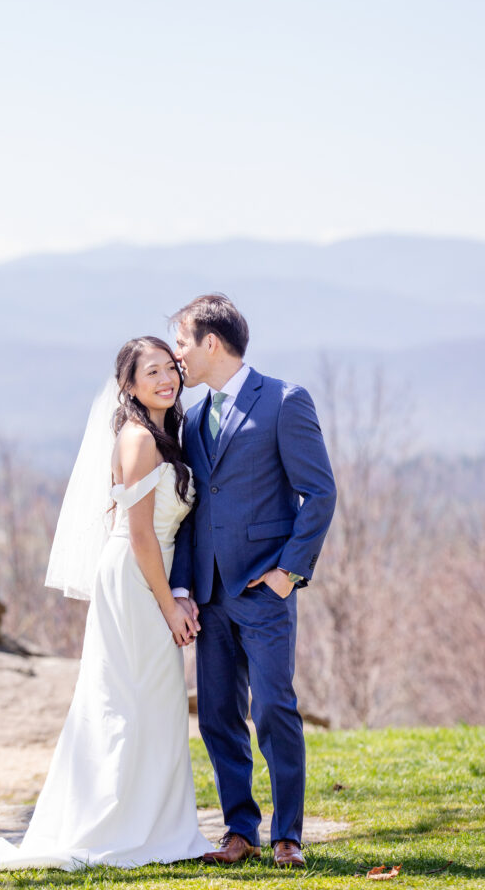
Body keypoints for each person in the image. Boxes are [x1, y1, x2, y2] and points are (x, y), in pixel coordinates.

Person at [0, 336, 211, 871]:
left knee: (150, 701)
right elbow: (138, 536)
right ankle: (122, 827)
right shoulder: (138, 440)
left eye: (169, 369)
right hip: (136, 578)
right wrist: (169, 605)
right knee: (132, 700)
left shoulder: (165, 436)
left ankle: (153, 824)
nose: (165, 379)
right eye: (150, 372)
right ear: (129, 387)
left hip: (147, 575)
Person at [169, 294, 336, 869]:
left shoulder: (285, 402)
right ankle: (240, 830)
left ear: (211, 343)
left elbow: (320, 493)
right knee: (218, 716)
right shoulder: (191, 418)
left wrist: (289, 572)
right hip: (210, 597)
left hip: (265, 594)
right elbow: (194, 511)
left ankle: (289, 833)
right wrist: (184, 589)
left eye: (183, 342)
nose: (178, 356)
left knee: (272, 709)